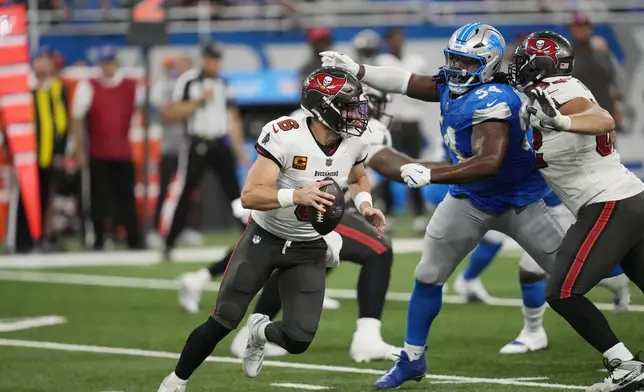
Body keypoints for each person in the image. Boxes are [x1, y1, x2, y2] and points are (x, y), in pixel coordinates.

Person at [320, 22, 564, 389]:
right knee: (427, 274)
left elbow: (489, 161)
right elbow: (405, 80)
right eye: (453, 59)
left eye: (466, 63)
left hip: (518, 199)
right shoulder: (450, 85)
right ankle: (412, 359)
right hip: (470, 198)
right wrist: (357, 69)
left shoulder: (494, 98)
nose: (456, 69)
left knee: (571, 278)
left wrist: (432, 175)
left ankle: (618, 355)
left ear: (487, 63)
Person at [157, 66, 386, 392]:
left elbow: (357, 175)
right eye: (349, 107)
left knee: (298, 339)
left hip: (309, 246)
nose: (358, 116)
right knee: (222, 320)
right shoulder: (286, 134)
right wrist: (296, 194)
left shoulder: (354, 141)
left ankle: (259, 331)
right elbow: (250, 195)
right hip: (265, 237)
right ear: (324, 108)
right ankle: (175, 381)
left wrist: (364, 205)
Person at [511, 31, 644, 391]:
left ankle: (624, 365)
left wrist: (563, 123)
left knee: (562, 291)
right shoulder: (544, 93)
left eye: (523, 60)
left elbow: (603, 119)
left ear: (542, 64)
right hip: (629, 199)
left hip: (609, 202)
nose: (517, 65)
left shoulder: (560, 91)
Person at [160, 42, 248, 260]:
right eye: (212, 59)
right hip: (197, 144)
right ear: (204, 59)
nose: (216, 64)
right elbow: (173, 112)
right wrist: (199, 101)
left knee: (235, 195)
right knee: (186, 193)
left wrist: (239, 150)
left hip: (220, 144)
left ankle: (249, 240)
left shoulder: (224, 84)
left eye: (218, 60)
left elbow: (233, 117)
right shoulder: (189, 81)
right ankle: (169, 242)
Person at [71, 45, 143, 250]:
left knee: (126, 197)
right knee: (98, 199)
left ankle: (133, 238)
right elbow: (77, 118)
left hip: (122, 151)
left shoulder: (130, 85)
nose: (107, 67)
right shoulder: (89, 86)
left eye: (110, 62)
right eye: (104, 63)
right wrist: (79, 151)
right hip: (98, 152)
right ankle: (99, 238)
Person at [12, 46, 70, 253]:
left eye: (47, 60)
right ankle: (22, 241)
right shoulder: (25, 89)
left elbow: (64, 123)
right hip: (28, 153)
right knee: (26, 198)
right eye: (40, 60)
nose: (44, 65)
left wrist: (61, 151)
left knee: (47, 197)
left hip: (50, 153)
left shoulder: (57, 89)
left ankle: (44, 238)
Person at [373, 28, 430, 232]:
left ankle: (419, 212)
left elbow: (424, 88)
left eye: (400, 38)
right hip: (392, 123)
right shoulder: (382, 60)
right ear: (388, 41)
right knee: (389, 168)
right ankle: (388, 212)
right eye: (394, 39)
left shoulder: (416, 60)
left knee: (417, 166)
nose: (398, 42)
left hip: (413, 121)